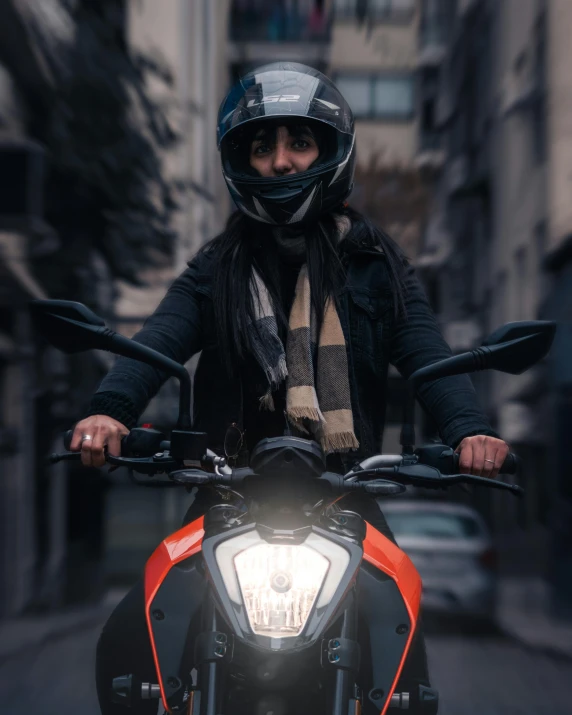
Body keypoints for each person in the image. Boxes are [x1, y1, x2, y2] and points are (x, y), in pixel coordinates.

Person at [72, 63, 509, 715]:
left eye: (297, 143)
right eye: (262, 146)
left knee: (406, 666)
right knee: (129, 642)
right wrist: (108, 411)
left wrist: (469, 429)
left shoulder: (375, 265)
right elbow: (158, 341)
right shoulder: (217, 267)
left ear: (328, 151)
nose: (280, 162)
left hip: (345, 492)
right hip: (228, 494)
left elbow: (427, 355)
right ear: (241, 159)